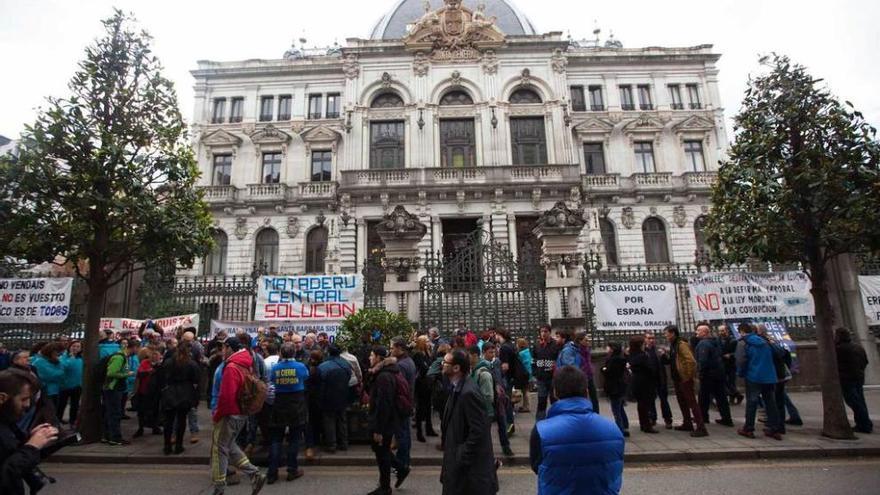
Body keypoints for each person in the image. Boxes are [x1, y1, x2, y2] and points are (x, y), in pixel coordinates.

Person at [530, 365, 625, 495]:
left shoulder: (541, 430)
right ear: (586, 392)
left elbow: (536, 466)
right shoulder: (613, 429)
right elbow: (615, 467)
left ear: (555, 393)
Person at [210, 336, 267, 495]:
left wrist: (217, 415)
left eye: (223, 347)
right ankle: (254, 474)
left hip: (229, 414)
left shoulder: (231, 367)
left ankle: (219, 486)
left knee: (219, 449)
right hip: (241, 413)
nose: (222, 351)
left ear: (230, 348)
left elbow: (227, 396)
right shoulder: (245, 364)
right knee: (229, 445)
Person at [440, 349, 498, 495]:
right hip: (458, 467)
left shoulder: (468, 393)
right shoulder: (456, 388)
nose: (442, 364)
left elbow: (479, 431)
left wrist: (460, 456)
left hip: (468, 473)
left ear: (456, 368)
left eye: (445, 362)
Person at [0, 369, 60, 495]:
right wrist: (31, 447)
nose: (28, 405)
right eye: (23, 399)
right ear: (2, 398)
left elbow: (10, 455)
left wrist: (32, 441)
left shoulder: (6, 422)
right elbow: (7, 474)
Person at [266, 343, 309, 484]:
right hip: (296, 404)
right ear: (294, 353)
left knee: (276, 439)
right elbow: (306, 378)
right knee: (294, 439)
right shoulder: (300, 367)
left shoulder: (275, 368)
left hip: (279, 404)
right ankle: (292, 470)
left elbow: (272, 381)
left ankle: (272, 473)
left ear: (281, 354)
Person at [367, 346, 407, 495]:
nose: (369, 358)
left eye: (372, 356)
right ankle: (401, 469)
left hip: (384, 423)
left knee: (382, 454)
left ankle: (385, 487)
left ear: (378, 358)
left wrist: (378, 429)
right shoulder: (385, 372)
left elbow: (384, 404)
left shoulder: (384, 376)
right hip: (386, 421)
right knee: (381, 451)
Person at [735, 322, 783, 440]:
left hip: (753, 375)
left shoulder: (743, 342)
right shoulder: (765, 341)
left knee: (752, 402)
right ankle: (774, 428)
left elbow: (741, 360)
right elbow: (780, 353)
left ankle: (748, 428)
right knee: (771, 402)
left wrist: (740, 373)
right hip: (769, 376)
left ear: (741, 331)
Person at [665, 325, 708, 437]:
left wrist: (687, 376)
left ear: (673, 333)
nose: (665, 335)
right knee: (682, 402)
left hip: (684, 379)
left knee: (692, 403)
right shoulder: (674, 345)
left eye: (667, 333)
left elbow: (690, 361)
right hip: (677, 378)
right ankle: (687, 422)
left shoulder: (681, 344)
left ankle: (701, 427)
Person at [158, 342, 200, 455]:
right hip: (185, 393)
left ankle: (167, 446)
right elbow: (196, 380)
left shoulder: (168, 362)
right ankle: (179, 445)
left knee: (169, 421)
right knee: (181, 420)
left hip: (170, 392)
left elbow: (162, 377)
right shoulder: (191, 364)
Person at [694, 324, 733, 427]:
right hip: (719, 373)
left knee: (703, 397)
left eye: (698, 330)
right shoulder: (715, 341)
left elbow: (703, 361)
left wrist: (700, 373)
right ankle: (727, 418)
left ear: (704, 332)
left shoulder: (704, 344)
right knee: (721, 397)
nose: (696, 332)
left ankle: (703, 417)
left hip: (708, 375)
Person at [835, 327, 873, 434]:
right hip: (859, 377)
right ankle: (864, 423)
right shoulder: (858, 347)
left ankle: (864, 424)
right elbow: (865, 361)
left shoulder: (840, 349)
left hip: (847, 379)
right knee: (860, 400)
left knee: (854, 401)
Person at [317, 344, 352, 453]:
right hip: (343, 395)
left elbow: (319, 381)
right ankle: (344, 443)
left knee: (329, 421)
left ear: (328, 352)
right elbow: (349, 377)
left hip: (328, 397)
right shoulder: (346, 364)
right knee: (342, 419)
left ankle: (331, 445)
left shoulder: (323, 366)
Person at [483, 343, 514, 456]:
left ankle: (506, 446)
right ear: (484, 353)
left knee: (502, 422)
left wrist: (503, 388)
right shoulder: (482, 365)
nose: (493, 354)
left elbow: (501, 377)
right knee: (486, 425)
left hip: (499, 398)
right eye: (490, 352)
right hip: (488, 398)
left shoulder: (497, 362)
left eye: (494, 352)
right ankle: (485, 448)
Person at [390, 338, 415, 473]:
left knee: (402, 436)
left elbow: (400, 387)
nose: (391, 350)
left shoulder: (401, 365)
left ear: (400, 348)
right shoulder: (408, 361)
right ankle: (404, 462)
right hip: (407, 403)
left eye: (392, 347)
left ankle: (402, 464)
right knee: (405, 434)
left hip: (401, 404)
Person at [102, 339, 133, 445]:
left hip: (117, 388)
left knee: (110, 413)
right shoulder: (119, 357)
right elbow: (111, 373)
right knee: (114, 413)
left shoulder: (125, 358)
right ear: (134, 348)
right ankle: (115, 437)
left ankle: (106, 435)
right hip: (113, 388)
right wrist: (126, 375)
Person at [628, 336, 659, 434]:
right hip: (645, 382)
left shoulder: (632, 354)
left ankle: (643, 423)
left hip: (637, 381)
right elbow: (650, 369)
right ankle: (647, 425)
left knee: (641, 404)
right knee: (646, 404)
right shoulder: (643, 355)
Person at [644, 331, 673, 429]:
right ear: (645, 339)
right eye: (649, 338)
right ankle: (652, 418)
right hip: (649, 379)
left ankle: (668, 419)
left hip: (660, 379)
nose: (651, 340)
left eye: (653, 338)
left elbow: (667, 362)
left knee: (664, 400)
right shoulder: (644, 351)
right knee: (650, 400)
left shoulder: (659, 350)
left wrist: (665, 355)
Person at [496, 328, 521, 436]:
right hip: (512, 376)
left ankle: (509, 425)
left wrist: (499, 375)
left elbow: (505, 366)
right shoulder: (511, 345)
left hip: (507, 377)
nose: (495, 337)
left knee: (506, 402)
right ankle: (510, 425)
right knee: (508, 401)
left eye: (496, 334)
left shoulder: (504, 347)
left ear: (500, 335)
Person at [601, 342, 629, 437]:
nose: (606, 348)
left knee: (616, 410)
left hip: (614, 387)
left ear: (612, 349)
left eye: (608, 347)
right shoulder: (621, 358)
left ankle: (620, 430)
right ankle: (625, 426)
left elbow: (608, 371)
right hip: (620, 386)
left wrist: (603, 369)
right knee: (620, 407)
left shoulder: (613, 360)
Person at [133, 347, 162, 437]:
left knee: (155, 410)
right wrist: (148, 371)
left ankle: (155, 427)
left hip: (155, 392)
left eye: (157, 356)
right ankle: (141, 428)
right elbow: (139, 374)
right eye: (153, 356)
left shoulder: (161, 366)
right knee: (141, 410)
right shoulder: (145, 363)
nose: (155, 358)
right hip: (144, 390)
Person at [412, 335, 436, 442]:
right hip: (421, 383)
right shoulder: (418, 354)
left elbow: (430, 366)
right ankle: (419, 433)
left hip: (427, 383)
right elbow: (424, 367)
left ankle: (428, 428)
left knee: (427, 406)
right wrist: (430, 368)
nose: (428, 342)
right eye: (426, 341)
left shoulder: (427, 353)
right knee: (420, 408)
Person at [532, 325, 559, 420]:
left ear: (549, 332)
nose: (543, 333)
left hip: (553, 377)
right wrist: (535, 373)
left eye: (545, 331)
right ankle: (540, 422)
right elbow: (534, 360)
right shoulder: (537, 345)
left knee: (554, 401)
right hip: (541, 378)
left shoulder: (555, 344)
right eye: (541, 331)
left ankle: (556, 420)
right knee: (541, 401)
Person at [30, 343, 65, 415]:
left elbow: (61, 373)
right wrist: (60, 371)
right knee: (46, 413)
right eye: (57, 352)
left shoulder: (56, 362)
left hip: (55, 391)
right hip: (46, 392)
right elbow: (51, 375)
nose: (59, 355)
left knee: (54, 411)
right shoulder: (40, 362)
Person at [304, 349, 324, 461]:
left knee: (309, 422)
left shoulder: (308, 370)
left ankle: (310, 445)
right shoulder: (321, 369)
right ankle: (317, 440)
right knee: (317, 420)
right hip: (319, 399)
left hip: (308, 399)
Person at [58, 340, 83, 426]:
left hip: (77, 385)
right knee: (61, 404)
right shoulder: (63, 357)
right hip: (65, 385)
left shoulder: (81, 358)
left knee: (75, 405)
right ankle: (58, 420)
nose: (75, 348)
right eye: (73, 346)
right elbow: (62, 367)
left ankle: (72, 421)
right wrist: (71, 359)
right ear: (70, 347)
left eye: (78, 346)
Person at [574, 332, 600, 414]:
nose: (588, 342)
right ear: (580, 341)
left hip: (589, 375)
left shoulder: (587, 349)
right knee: (583, 397)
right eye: (586, 340)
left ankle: (596, 414)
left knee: (594, 397)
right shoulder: (576, 351)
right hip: (581, 376)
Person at [718, 325, 744, 405]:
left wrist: (730, 355)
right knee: (725, 382)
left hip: (731, 364)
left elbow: (737, 352)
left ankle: (733, 398)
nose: (722, 332)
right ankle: (737, 395)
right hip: (722, 363)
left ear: (727, 331)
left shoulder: (733, 340)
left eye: (723, 330)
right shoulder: (717, 340)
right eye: (720, 331)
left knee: (731, 382)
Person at [516, 337, 533, 413]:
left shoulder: (521, 354)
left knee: (525, 391)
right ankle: (525, 405)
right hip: (529, 373)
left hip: (524, 374)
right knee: (525, 390)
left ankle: (527, 407)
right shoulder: (527, 352)